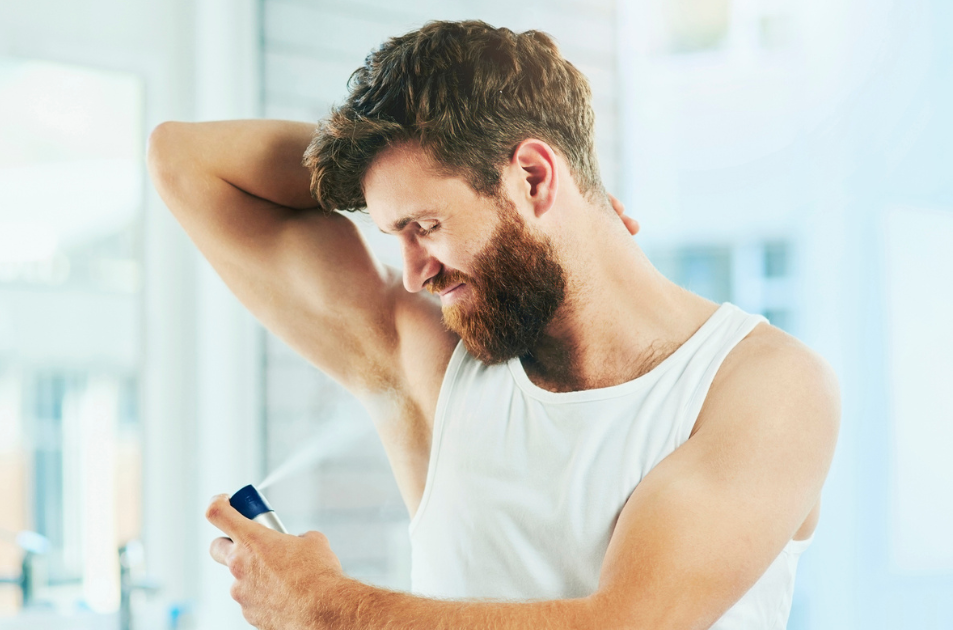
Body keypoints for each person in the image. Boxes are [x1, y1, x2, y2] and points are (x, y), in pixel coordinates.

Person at [147, 19, 839, 630]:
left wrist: (328, 611)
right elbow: (185, 162)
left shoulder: (765, 388)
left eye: (426, 225)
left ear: (535, 180)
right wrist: (381, 177)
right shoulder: (432, 370)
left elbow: (625, 625)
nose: (415, 271)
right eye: (394, 231)